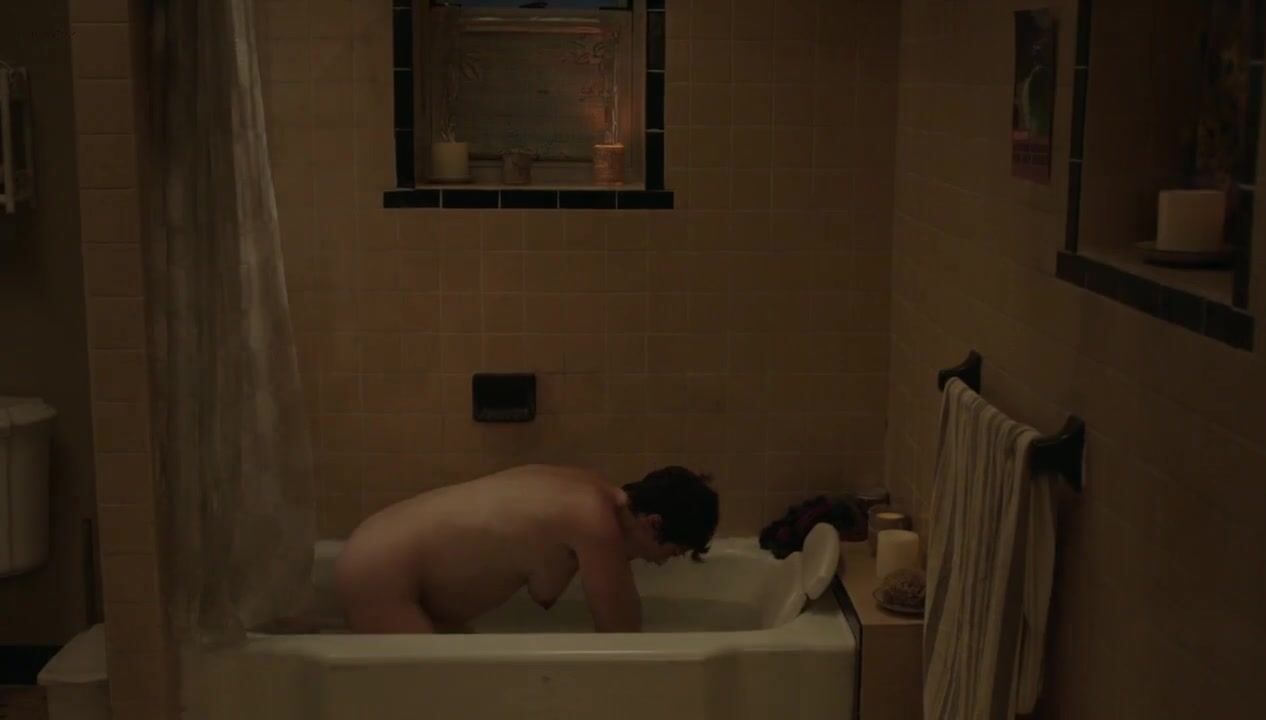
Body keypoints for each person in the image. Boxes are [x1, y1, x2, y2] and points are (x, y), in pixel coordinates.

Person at [334, 464, 719, 634]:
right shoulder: (594, 521)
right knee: (445, 698)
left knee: (470, 686)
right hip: (381, 572)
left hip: (380, 553)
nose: (660, 563)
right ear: (653, 524)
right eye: (673, 552)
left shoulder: (592, 493)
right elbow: (622, 634)